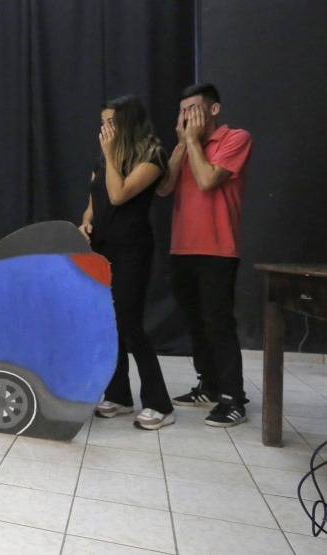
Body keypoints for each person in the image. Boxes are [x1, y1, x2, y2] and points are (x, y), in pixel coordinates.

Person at [156, 83, 253, 427]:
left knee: (218, 323)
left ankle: (233, 399)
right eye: (182, 111)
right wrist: (184, 143)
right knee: (195, 322)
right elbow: (165, 187)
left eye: (193, 109)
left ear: (213, 109)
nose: (186, 117)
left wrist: (193, 142)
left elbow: (209, 180)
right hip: (182, 247)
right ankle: (210, 385)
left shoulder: (236, 138)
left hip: (217, 248)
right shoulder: (186, 145)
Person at [78, 95, 175, 430]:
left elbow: (119, 195)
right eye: (103, 121)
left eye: (111, 122)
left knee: (130, 324)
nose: (104, 128)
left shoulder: (152, 155)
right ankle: (118, 395)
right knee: (107, 325)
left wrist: (109, 154)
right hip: (102, 247)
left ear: (127, 124)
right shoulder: (102, 159)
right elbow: (96, 201)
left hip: (132, 247)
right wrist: (85, 222)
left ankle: (159, 404)